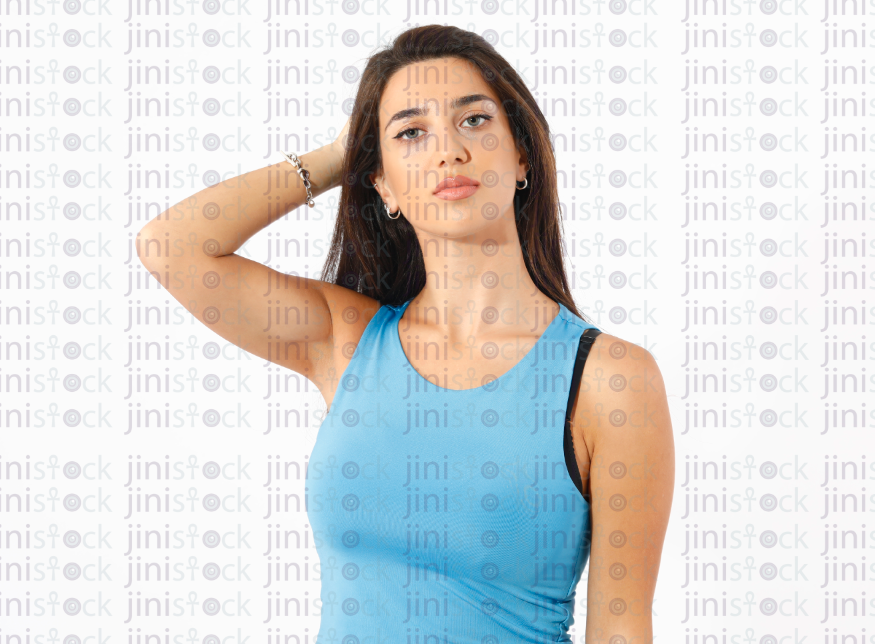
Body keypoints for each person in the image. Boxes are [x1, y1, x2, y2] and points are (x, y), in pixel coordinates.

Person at [137, 24, 673, 644]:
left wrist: (390, 144)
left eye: (473, 121)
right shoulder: (344, 340)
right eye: (411, 132)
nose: (447, 150)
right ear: (383, 184)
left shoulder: (611, 381)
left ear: (521, 155)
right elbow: (171, 248)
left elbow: (622, 629)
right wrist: (340, 156)